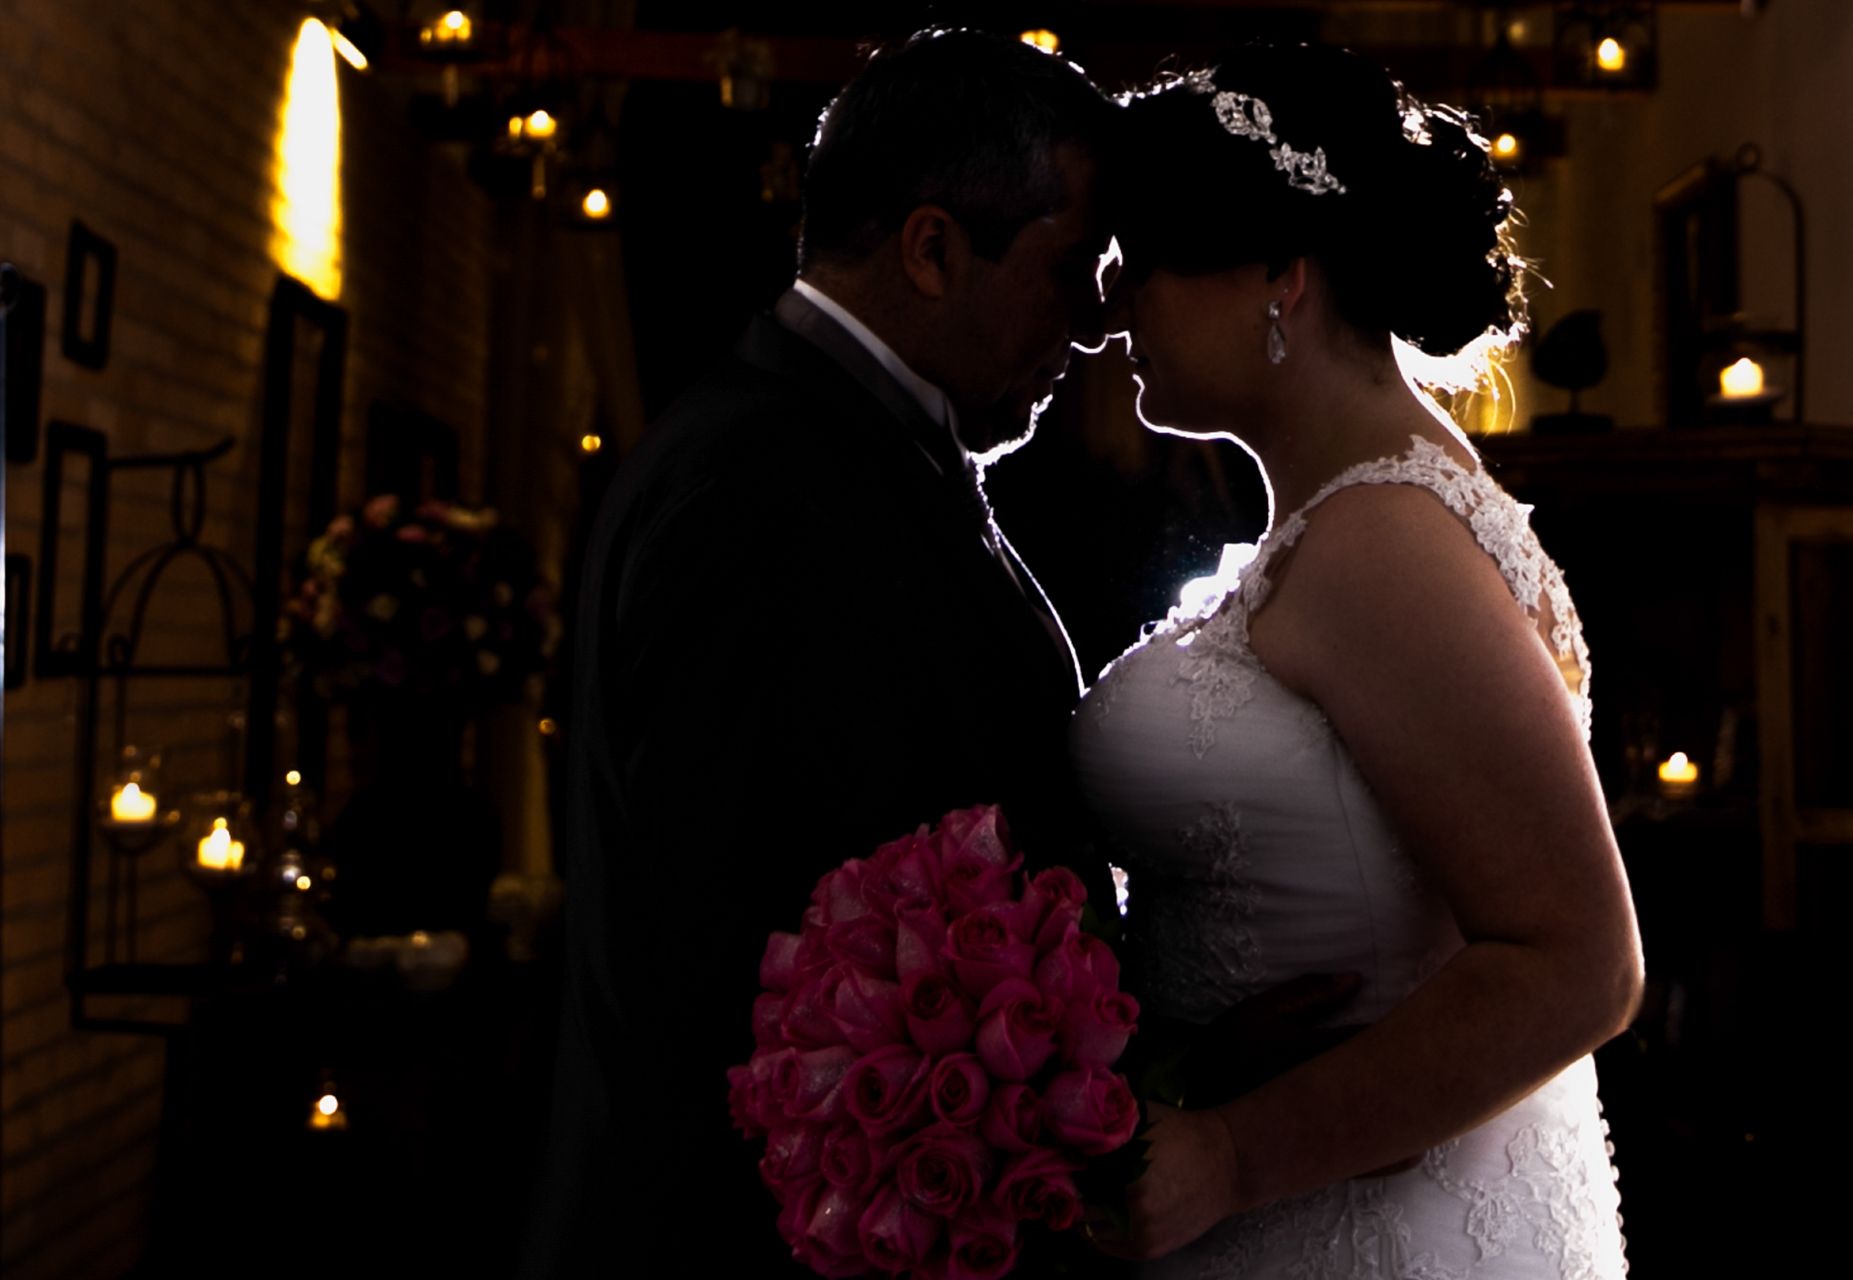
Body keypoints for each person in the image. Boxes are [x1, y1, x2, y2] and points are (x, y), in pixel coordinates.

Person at [516, 29, 1123, 1277]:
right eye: (1069, 271)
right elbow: (725, 939)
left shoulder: (835, 444)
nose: (1088, 329)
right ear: (932, 248)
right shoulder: (754, 485)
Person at [1072, 42, 1644, 1277]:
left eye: (1143, 260)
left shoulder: (1382, 540)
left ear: (1282, 275)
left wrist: (1233, 1153)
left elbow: (1580, 961)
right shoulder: (1353, 515)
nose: (1112, 311)